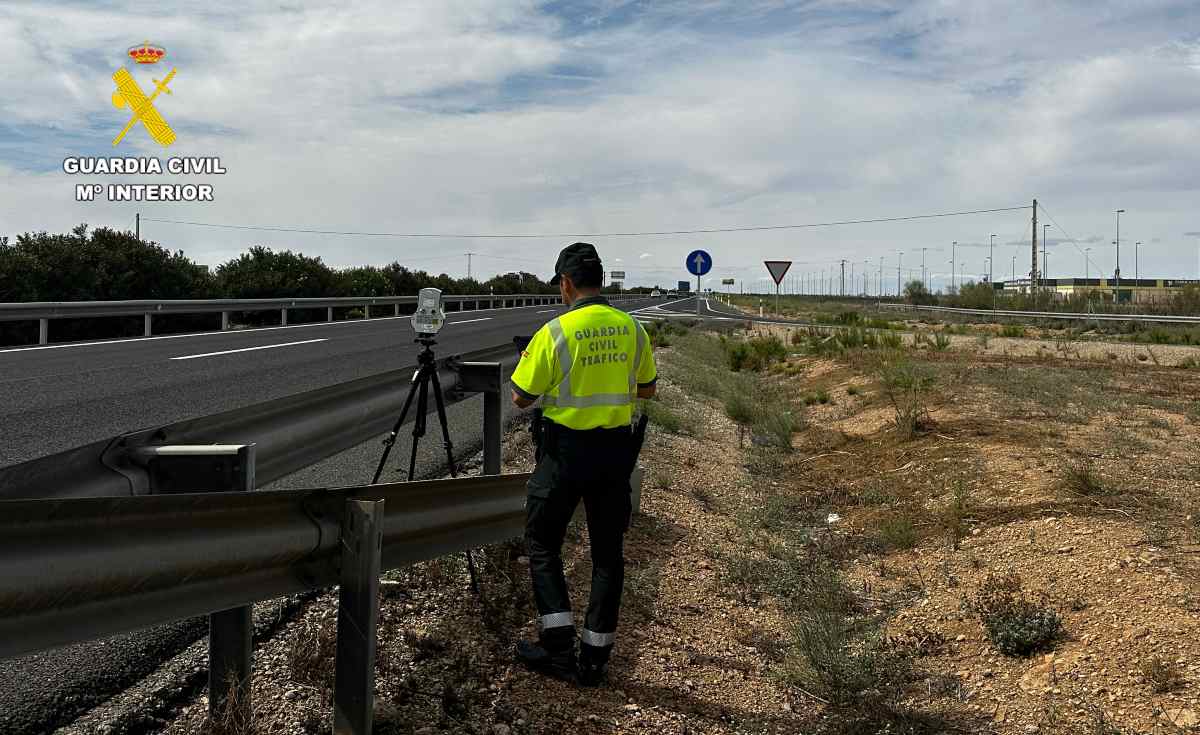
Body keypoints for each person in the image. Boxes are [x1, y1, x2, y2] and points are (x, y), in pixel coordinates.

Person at [509, 241, 657, 686]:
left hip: (563, 454)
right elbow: (647, 390)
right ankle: (595, 660)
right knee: (608, 556)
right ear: (601, 280)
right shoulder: (632, 329)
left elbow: (520, 397)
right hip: (614, 455)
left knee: (542, 543)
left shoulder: (555, 333)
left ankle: (558, 650)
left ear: (567, 284)